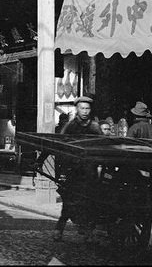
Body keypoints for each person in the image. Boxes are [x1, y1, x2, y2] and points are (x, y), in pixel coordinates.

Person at [52, 96, 103, 242]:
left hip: (90, 171)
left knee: (91, 202)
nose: (85, 111)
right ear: (77, 109)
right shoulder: (70, 126)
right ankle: (59, 229)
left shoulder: (95, 127)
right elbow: (60, 146)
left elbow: (103, 144)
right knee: (69, 202)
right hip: (73, 171)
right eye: (82, 108)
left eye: (87, 108)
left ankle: (88, 232)